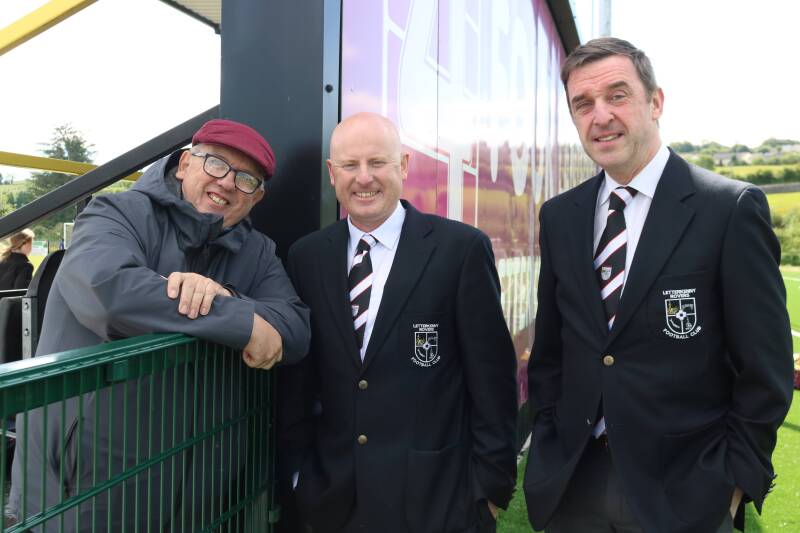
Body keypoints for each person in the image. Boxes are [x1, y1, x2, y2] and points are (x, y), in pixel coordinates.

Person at [523, 37, 794, 533]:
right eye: (583, 104)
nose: (600, 115)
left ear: (656, 102)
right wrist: (547, 438)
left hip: (684, 491)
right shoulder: (561, 216)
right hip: (572, 483)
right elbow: (552, 353)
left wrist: (734, 481)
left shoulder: (728, 209)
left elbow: (766, 368)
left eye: (617, 95)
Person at [9, 118, 311, 530]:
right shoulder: (115, 212)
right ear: (185, 164)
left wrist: (225, 296)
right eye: (216, 164)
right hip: (87, 478)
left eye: (246, 179)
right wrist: (243, 321)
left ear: (256, 198)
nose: (227, 183)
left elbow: (294, 328)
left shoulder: (255, 250)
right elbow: (109, 293)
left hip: (193, 485)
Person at [279, 112, 518, 533]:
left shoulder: (459, 251)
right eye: (350, 166)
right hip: (332, 502)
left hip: (436, 502)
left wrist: (489, 492)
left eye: (378, 163)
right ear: (332, 174)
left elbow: (493, 382)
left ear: (403, 166)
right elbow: (300, 381)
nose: (364, 178)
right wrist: (300, 474)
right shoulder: (307, 256)